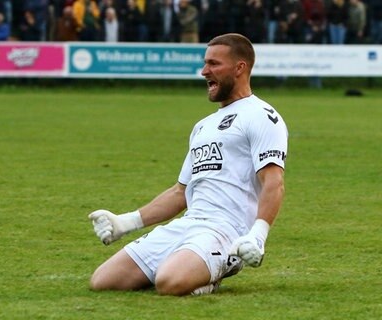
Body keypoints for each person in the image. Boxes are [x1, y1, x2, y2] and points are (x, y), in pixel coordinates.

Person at [88, 33, 289, 296]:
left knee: (169, 283)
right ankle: (187, 266)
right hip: (189, 224)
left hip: (227, 231)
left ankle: (214, 269)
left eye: (214, 64)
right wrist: (125, 222)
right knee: (104, 281)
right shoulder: (203, 126)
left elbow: (274, 182)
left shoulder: (262, 117)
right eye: (206, 63)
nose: (204, 71)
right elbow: (180, 192)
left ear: (240, 68)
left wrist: (257, 236)